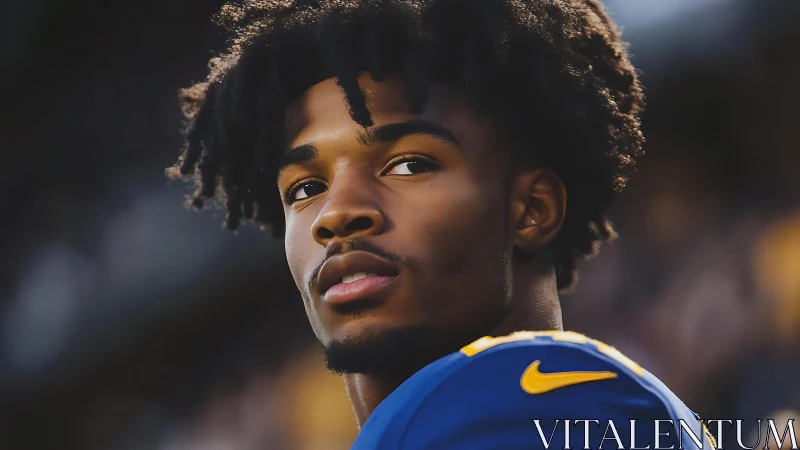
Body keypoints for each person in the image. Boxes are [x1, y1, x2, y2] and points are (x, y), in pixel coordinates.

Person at [167, 0, 716, 448]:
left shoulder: (519, 404)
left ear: (533, 209)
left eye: (409, 165)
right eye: (305, 189)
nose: (335, 215)